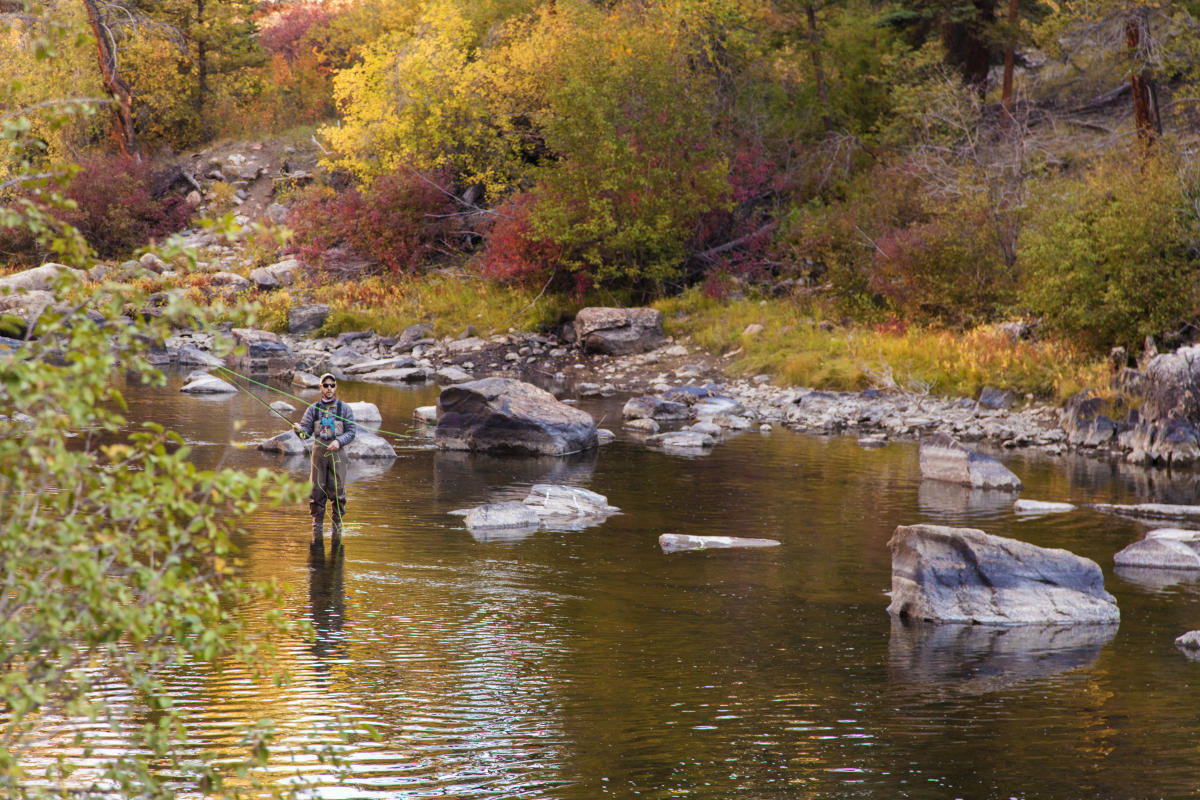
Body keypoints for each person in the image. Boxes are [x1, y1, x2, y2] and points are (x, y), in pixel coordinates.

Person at [294, 373, 355, 549]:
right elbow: (305, 433)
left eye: (332, 385)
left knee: (338, 490)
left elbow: (352, 432)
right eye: (325, 385)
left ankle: (337, 528)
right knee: (316, 490)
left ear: (336, 387)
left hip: (338, 454)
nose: (329, 388)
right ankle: (317, 528)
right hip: (318, 453)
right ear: (320, 387)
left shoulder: (345, 409)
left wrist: (339, 441)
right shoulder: (313, 409)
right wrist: (298, 431)